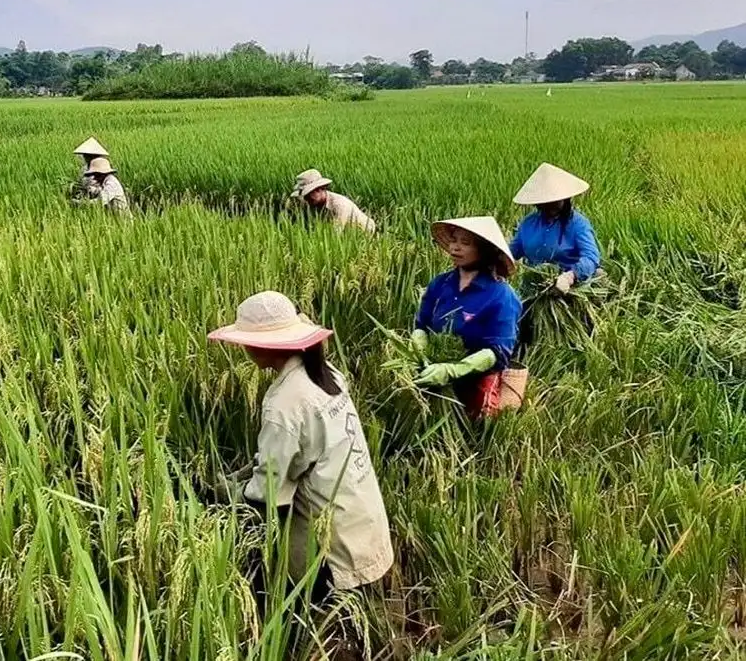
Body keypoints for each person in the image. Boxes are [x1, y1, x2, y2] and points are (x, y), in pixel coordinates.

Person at [207, 291, 393, 606]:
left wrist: (225, 495)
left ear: (261, 347)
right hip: (361, 511)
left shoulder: (283, 402)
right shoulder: (325, 373)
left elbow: (268, 487)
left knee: (325, 618)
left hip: (328, 537)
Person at [412, 217, 522, 417]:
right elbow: (421, 323)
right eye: (454, 240)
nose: (455, 247)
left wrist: (452, 370)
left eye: (465, 243)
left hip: (476, 374)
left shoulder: (502, 296)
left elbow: (497, 352)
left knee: (479, 418)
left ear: (484, 251)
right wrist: (420, 350)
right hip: (432, 366)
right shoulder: (440, 283)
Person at [509, 163, 601, 294]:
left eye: (554, 201)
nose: (549, 206)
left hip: (570, 288)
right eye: (544, 202)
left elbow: (591, 257)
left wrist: (569, 277)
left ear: (565, 199)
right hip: (534, 288)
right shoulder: (529, 223)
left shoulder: (578, 224)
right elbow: (513, 251)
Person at [291, 169, 376, 233]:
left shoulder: (339, 205)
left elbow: (336, 234)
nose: (306, 198)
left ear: (319, 189)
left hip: (364, 232)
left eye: (309, 194)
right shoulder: (313, 204)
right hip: (345, 234)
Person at [67, 136, 110, 201]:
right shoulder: (86, 168)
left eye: (86, 156)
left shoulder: (101, 166)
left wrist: (80, 203)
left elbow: (101, 200)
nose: (85, 158)